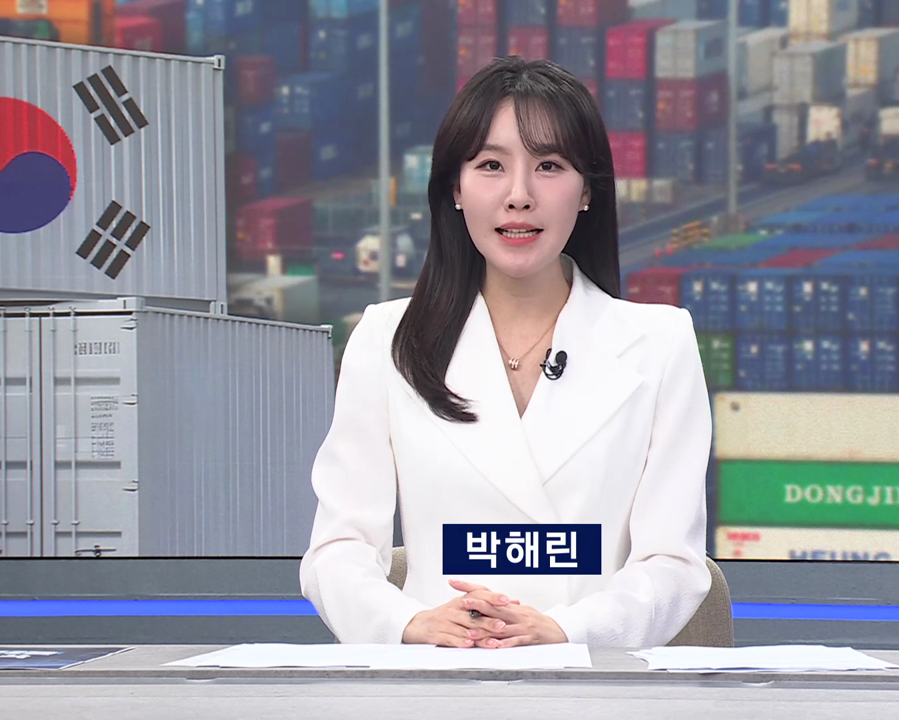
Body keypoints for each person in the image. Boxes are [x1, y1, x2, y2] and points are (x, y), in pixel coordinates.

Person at [300, 57, 713, 649]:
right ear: (455, 188)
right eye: (491, 166)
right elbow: (337, 549)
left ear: (587, 190)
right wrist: (409, 623)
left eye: (549, 166)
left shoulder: (661, 344)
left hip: (589, 678)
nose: (519, 196)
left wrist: (567, 629)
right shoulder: (387, 339)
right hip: (434, 676)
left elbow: (673, 563)